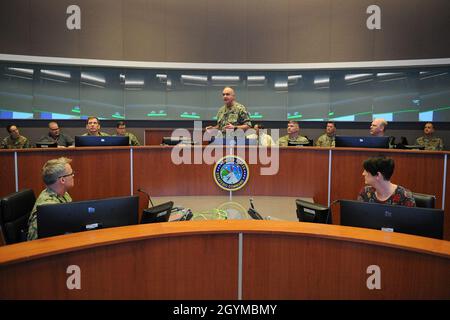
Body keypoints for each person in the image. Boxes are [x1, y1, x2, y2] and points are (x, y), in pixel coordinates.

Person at [27, 157, 75, 241]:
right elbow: (35, 241)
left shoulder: (63, 193)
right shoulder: (48, 207)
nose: (73, 175)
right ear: (62, 180)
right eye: (71, 174)